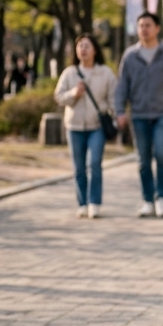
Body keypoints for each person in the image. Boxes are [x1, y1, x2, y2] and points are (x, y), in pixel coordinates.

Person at [114, 12, 163, 218]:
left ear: (157, 28)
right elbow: (122, 86)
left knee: (161, 153)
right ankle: (148, 200)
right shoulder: (130, 56)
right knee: (143, 159)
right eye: (141, 26)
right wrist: (120, 111)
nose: (144, 29)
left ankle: (162, 198)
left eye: (148, 25)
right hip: (138, 114)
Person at [54, 34, 117, 219]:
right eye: (80, 46)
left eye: (87, 46)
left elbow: (113, 98)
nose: (83, 49)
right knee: (79, 168)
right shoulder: (69, 73)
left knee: (94, 163)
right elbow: (58, 97)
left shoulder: (105, 73)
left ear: (95, 50)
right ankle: (82, 203)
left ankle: (94, 203)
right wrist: (74, 93)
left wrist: (116, 116)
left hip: (97, 126)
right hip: (74, 127)